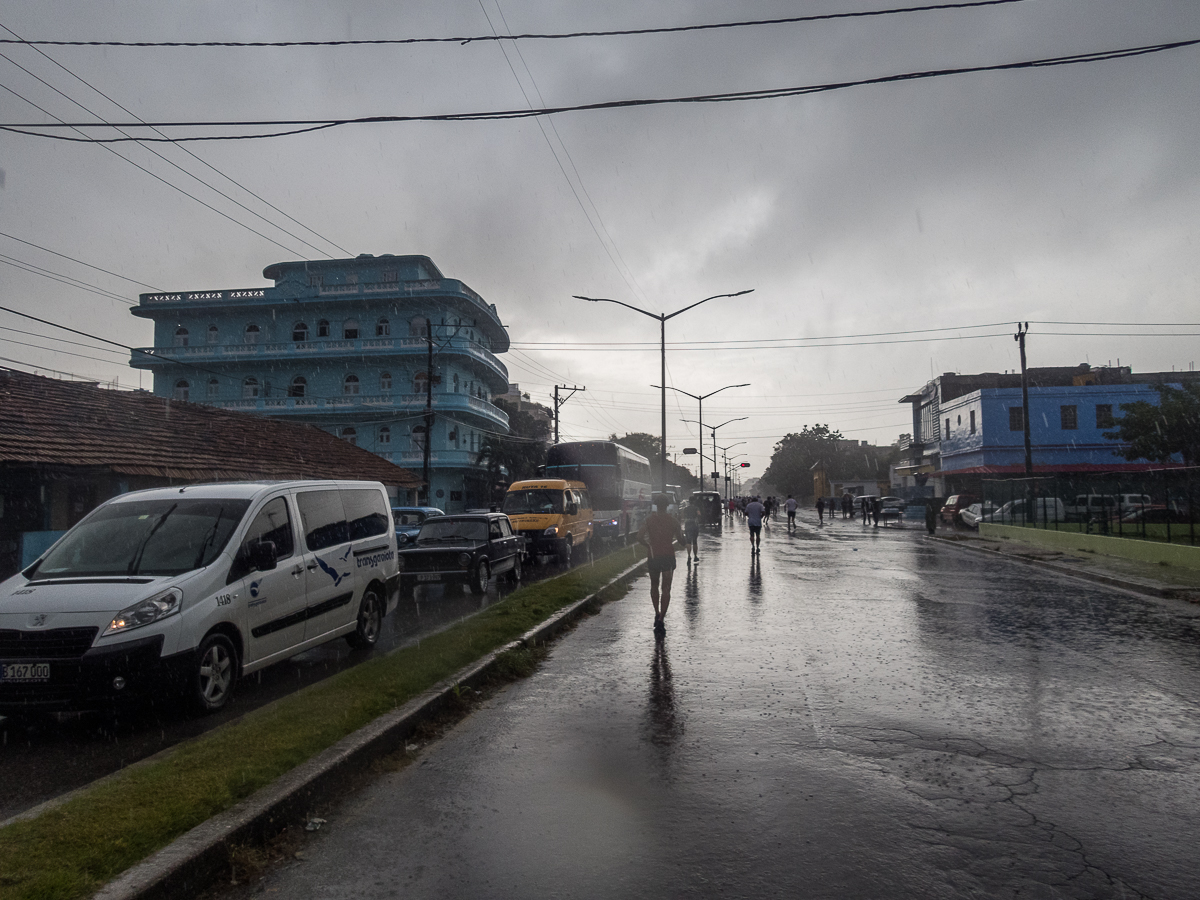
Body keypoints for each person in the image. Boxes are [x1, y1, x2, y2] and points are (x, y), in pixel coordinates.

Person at [637, 495, 683, 636]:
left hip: (654, 556)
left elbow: (639, 537)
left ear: (656, 506)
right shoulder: (673, 521)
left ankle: (656, 612)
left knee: (654, 585)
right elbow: (681, 539)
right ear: (668, 505)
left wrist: (648, 545)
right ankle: (662, 618)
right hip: (668, 556)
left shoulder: (649, 520)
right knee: (666, 588)